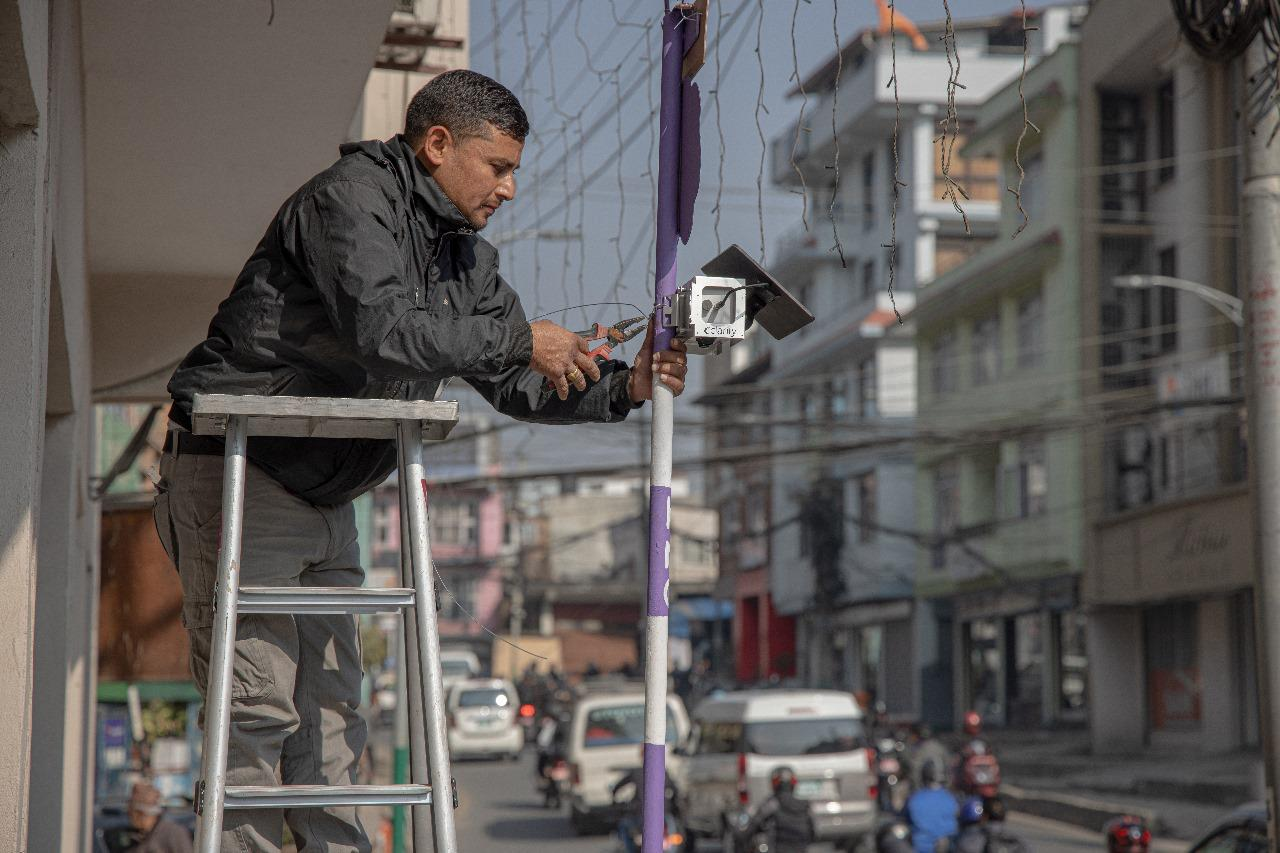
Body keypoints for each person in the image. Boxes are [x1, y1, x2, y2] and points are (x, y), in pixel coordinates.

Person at [153, 69, 689, 853]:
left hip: (328, 495)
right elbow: (385, 330)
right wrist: (518, 340)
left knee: (334, 719)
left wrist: (626, 388)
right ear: (437, 144)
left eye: (514, 171)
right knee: (256, 708)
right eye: (497, 166)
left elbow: (514, 376)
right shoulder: (352, 200)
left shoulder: (465, 257)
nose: (509, 188)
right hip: (242, 467)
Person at [740, 766, 815, 853]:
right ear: (793, 783)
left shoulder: (772, 804)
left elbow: (753, 824)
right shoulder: (805, 806)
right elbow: (813, 831)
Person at [904, 759, 958, 853]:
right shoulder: (951, 798)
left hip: (920, 849)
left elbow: (905, 821)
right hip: (948, 848)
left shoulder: (914, 799)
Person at [124, 782, 193, 853]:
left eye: (131, 812)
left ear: (142, 813)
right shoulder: (138, 837)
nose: (129, 816)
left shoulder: (174, 833)